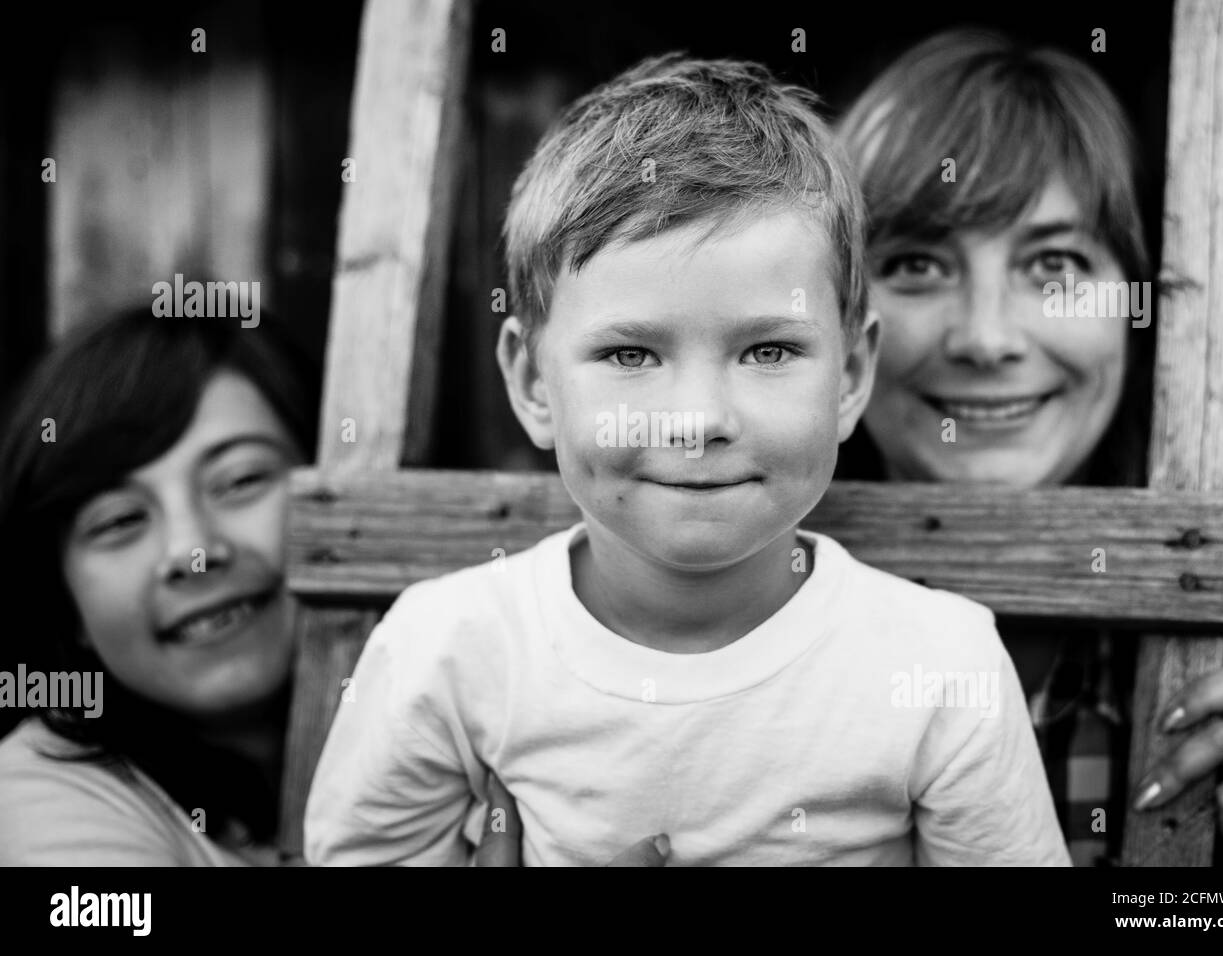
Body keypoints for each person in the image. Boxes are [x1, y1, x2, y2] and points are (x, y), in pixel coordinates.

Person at [303, 54, 1070, 866]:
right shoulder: (449, 650)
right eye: (631, 356)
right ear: (532, 381)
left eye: (769, 350)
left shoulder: (942, 667)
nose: (697, 422)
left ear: (849, 376)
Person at [834, 28, 1223, 865]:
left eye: (1053, 264)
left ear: (1144, 311)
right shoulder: (710, 624)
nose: (986, 339)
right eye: (915, 263)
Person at [0, 306, 319, 865]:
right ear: (66, 604)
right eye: (120, 520)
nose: (193, 553)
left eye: (241, 480)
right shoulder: (40, 799)